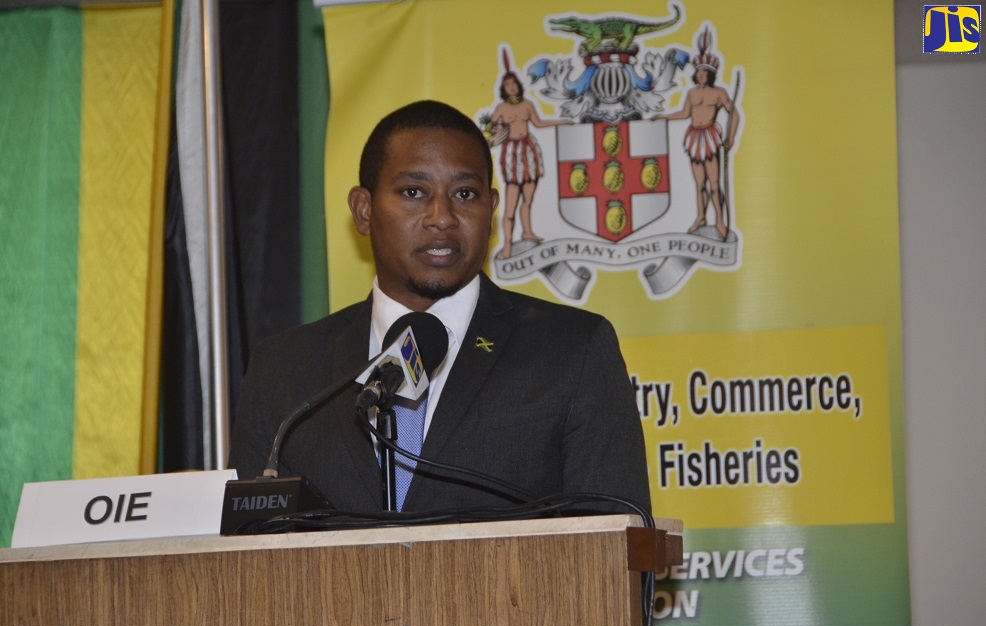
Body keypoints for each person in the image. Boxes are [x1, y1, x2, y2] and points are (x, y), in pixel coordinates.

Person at [228, 100, 650, 515]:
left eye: (465, 194)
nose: (442, 217)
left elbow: (616, 549)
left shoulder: (571, 352)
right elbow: (249, 554)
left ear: (492, 210)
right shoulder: (284, 371)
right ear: (363, 210)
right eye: (414, 192)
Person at [655, 27, 739, 239]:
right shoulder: (692, 93)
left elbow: (734, 115)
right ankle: (701, 216)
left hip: (710, 137)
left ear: (710, 73)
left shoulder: (719, 93)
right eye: (698, 72)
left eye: (704, 72)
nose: (701, 75)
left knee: (714, 184)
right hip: (694, 136)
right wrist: (664, 117)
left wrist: (730, 138)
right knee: (699, 184)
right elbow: (684, 114)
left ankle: (719, 220)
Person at [486, 65, 569, 260]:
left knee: (528, 200)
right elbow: (491, 129)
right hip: (512, 154)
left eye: (514, 83)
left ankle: (527, 232)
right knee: (511, 203)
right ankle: (507, 244)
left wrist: (560, 122)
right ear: (503, 88)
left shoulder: (527, 105)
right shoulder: (501, 109)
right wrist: (494, 133)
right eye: (508, 84)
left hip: (529, 150)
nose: (512, 87)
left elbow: (539, 123)